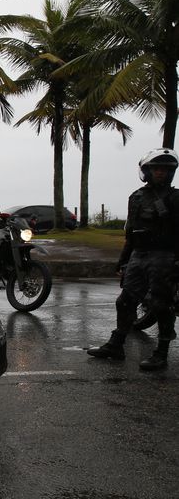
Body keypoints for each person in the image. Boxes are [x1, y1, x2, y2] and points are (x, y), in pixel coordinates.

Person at [88, 148, 179, 371]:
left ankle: (161, 353)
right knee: (125, 301)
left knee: (161, 304)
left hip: (165, 256)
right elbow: (131, 233)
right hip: (139, 255)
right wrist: (122, 260)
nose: (160, 173)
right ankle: (116, 345)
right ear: (147, 171)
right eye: (156, 168)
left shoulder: (176, 198)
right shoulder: (136, 196)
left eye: (166, 170)